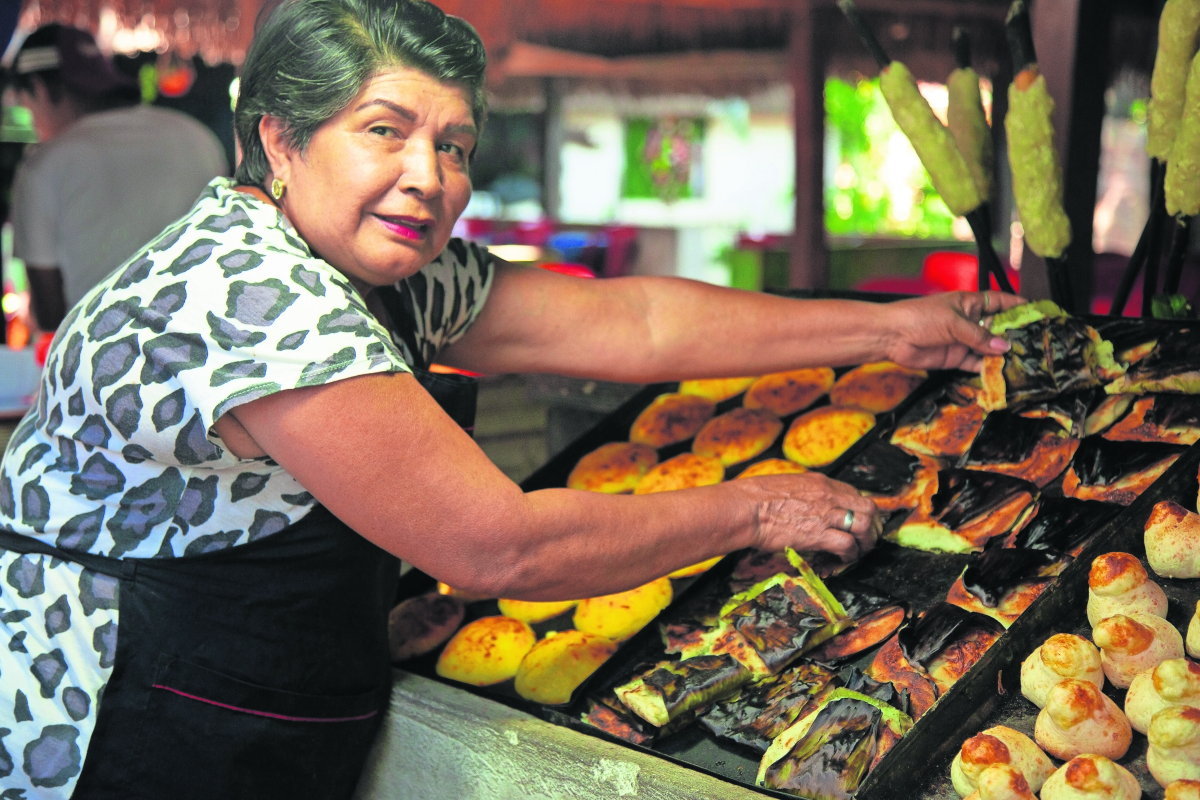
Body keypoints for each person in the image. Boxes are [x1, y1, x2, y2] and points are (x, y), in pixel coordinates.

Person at [0, 0, 1021, 796]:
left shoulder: (380, 265)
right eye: (385, 130)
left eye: (451, 144)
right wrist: (758, 506)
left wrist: (883, 325)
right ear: (279, 139)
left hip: (255, 697)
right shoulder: (253, 296)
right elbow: (497, 548)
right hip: (113, 716)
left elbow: (634, 325)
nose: (427, 176)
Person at [9, 23, 228, 334]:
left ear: (39, 89)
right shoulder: (197, 137)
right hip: (202, 352)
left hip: (101, 369)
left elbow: (49, 315)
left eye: (26, 108)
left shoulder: (44, 166)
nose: (32, 124)